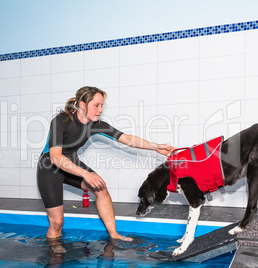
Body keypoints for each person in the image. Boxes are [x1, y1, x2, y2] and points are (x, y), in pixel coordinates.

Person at [37, 86, 174, 242]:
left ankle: (114, 234)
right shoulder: (61, 121)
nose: (100, 110)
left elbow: (127, 139)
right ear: (82, 104)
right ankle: (54, 254)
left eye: (101, 105)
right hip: (50, 167)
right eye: (97, 105)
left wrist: (156, 147)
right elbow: (56, 157)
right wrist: (85, 174)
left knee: (101, 188)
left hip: (71, 162)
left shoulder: (95, 125)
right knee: (57, 223)